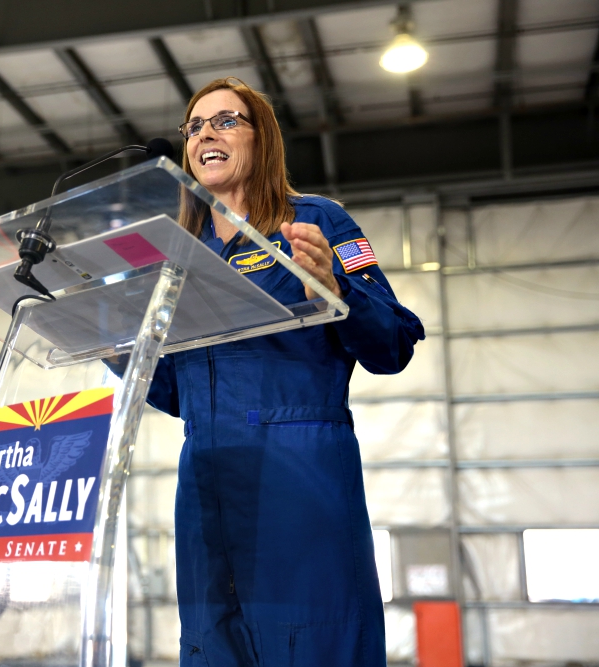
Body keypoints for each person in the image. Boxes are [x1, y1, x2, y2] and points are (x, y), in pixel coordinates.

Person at [146, 78, 425, 666]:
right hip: (205, 482)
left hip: (299, 475)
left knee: (314, 641)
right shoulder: (181, 256)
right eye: (194, 127)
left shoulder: (316, 221)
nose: (205, 135)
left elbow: (393, 343)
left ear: (262, 138)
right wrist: (117, 342)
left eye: (226, 121)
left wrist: (334, 285)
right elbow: (178, 393)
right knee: (212, 646)